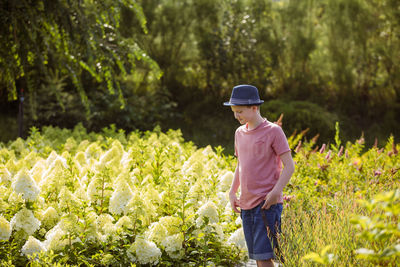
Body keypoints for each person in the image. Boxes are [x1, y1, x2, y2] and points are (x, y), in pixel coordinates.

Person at [223, 84, 295, 267]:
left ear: (254, 107)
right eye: (234, 111)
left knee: (264, 257)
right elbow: (241, 164)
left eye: (240, 111)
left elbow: (289, 166)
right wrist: (233, 192)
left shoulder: (273, 131)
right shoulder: (239, 133)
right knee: (257, 257)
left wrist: (275, 192)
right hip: (246, 205)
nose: (236, 116)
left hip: (266, 204)